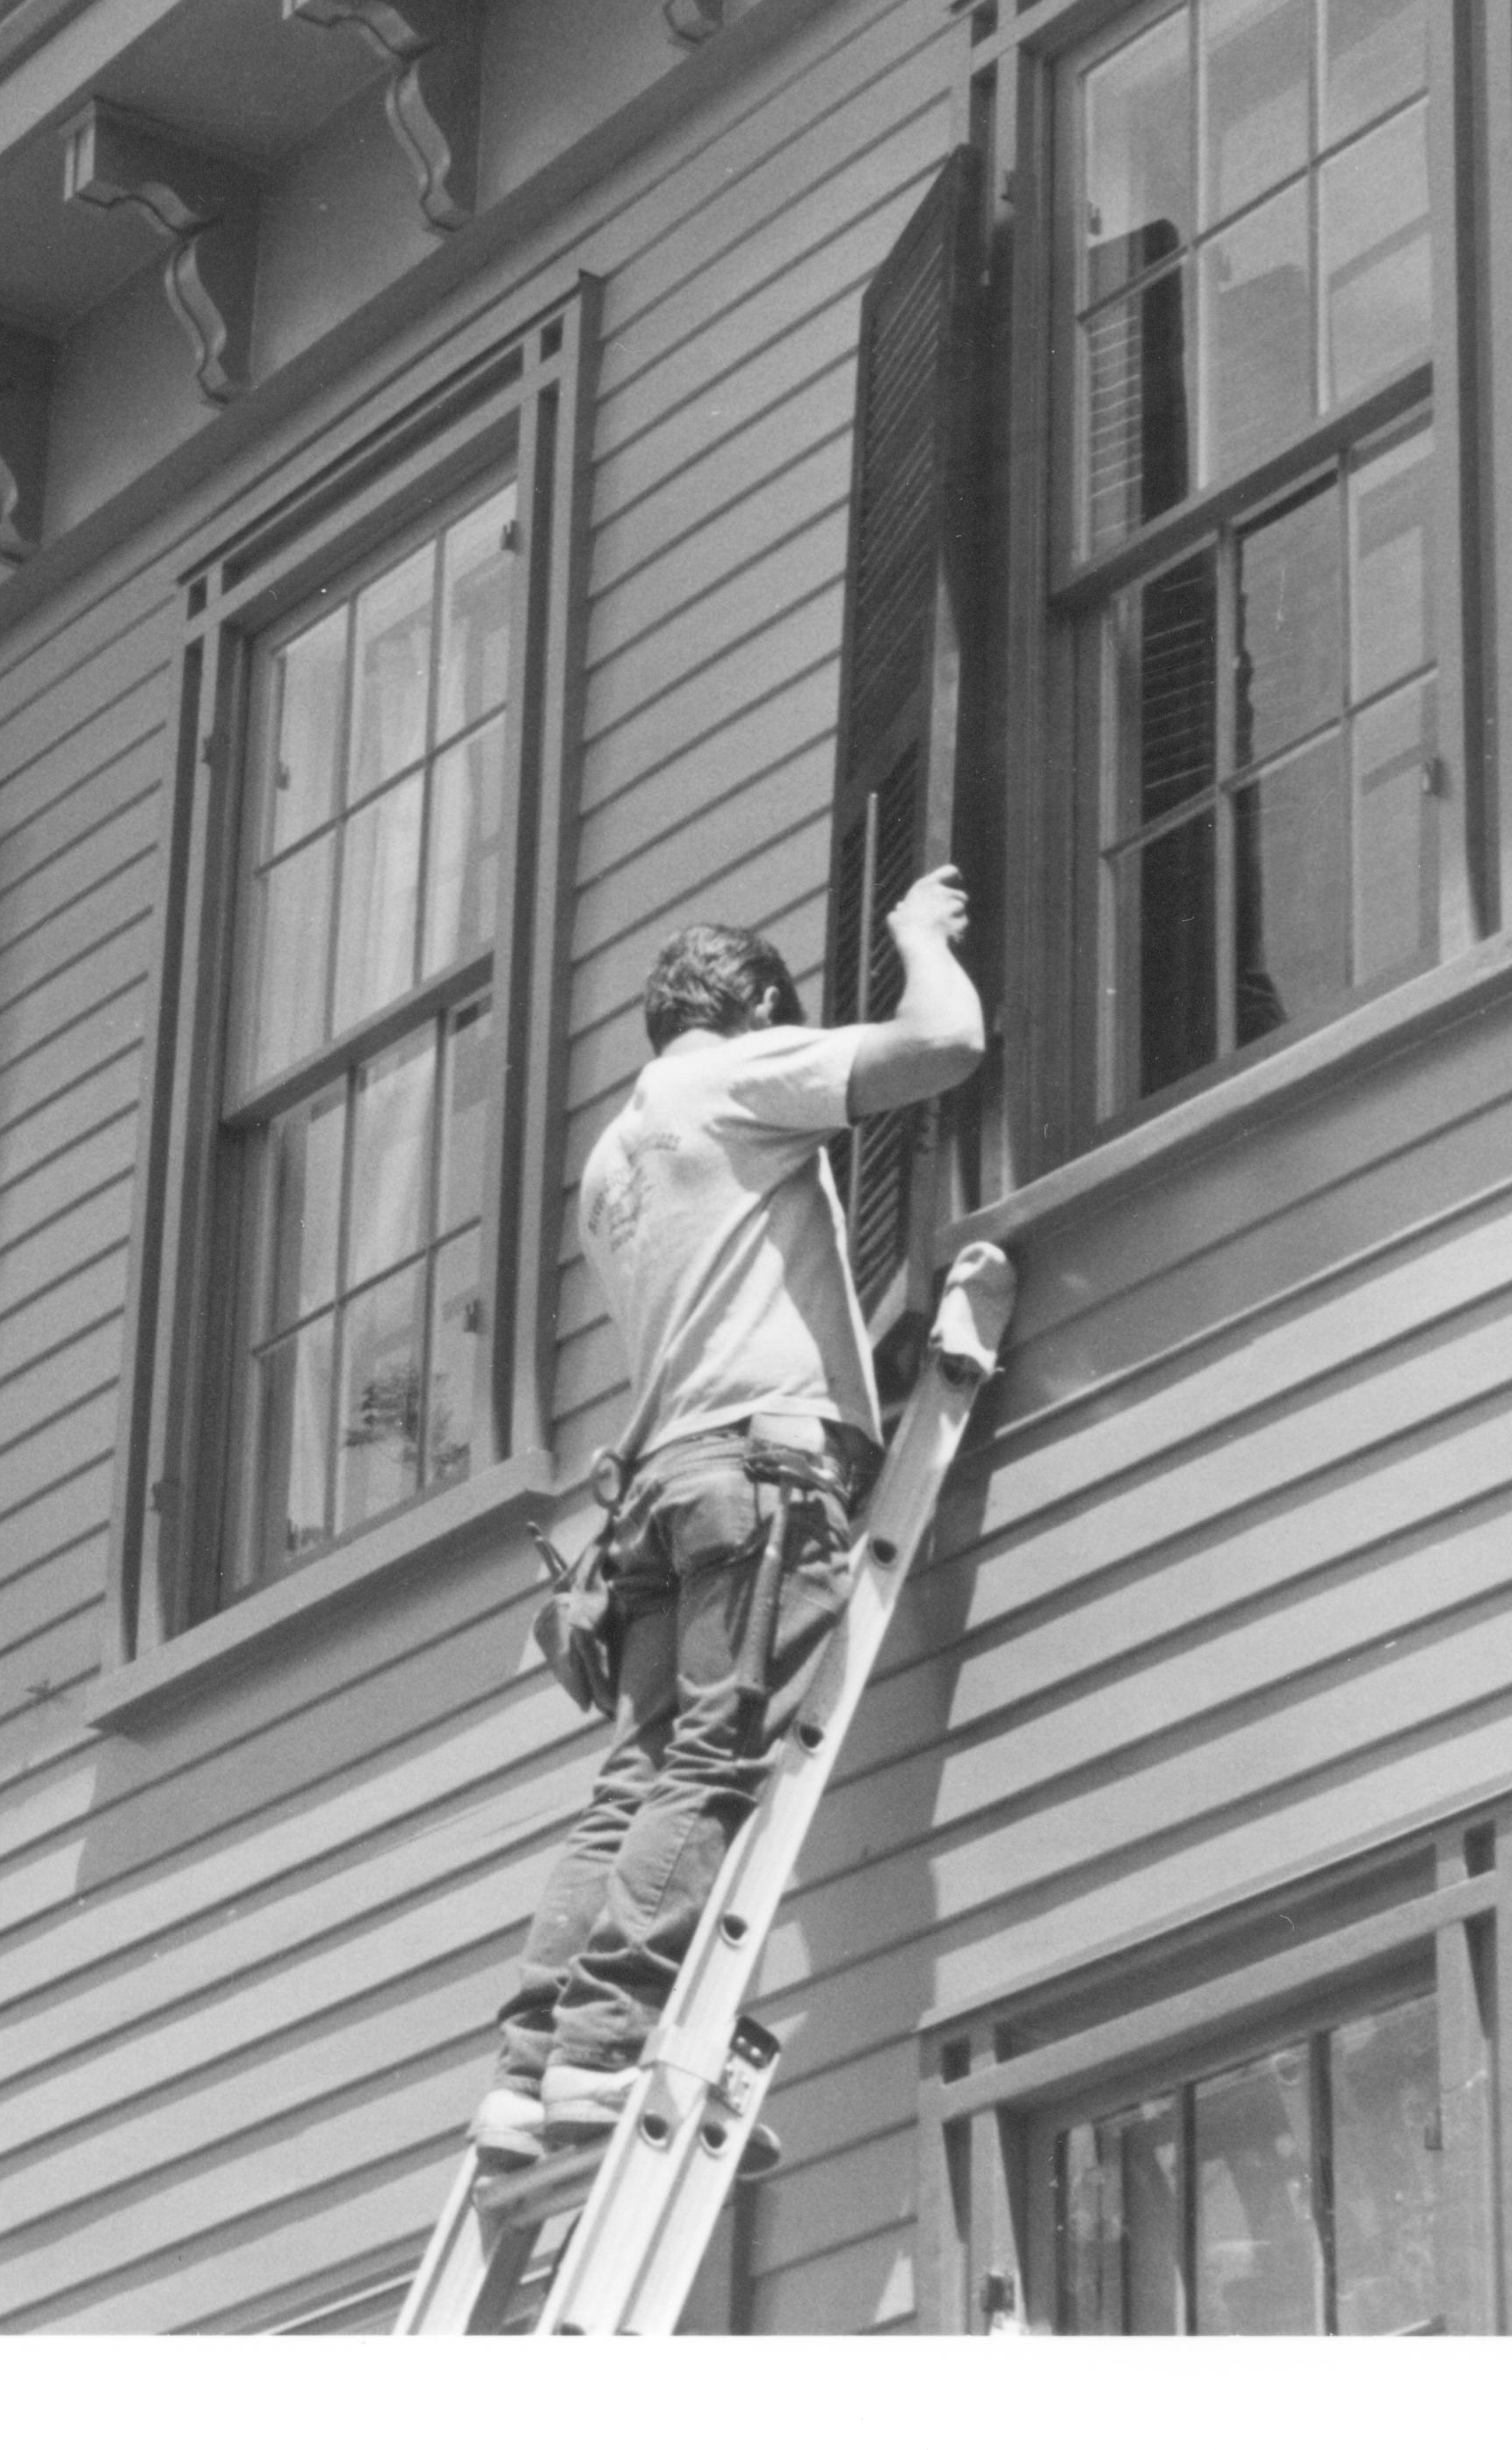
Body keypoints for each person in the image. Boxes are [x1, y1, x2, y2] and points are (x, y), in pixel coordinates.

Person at [474, 864, 987, 2161]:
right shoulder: (732, 1079)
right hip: (757, 1485)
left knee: (634, 1779)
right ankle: (601, 2056)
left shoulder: (613, 1159)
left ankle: (532, 2068)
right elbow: (946, 1042)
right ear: (755, 1004)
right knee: (711, 1755)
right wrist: (913, 933)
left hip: (667, 1493)